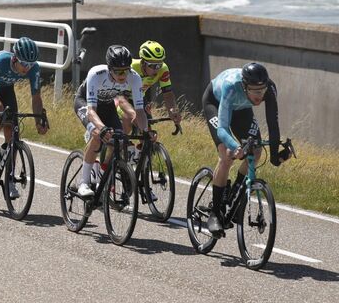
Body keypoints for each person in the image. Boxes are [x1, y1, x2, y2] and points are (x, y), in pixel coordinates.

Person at [202, 62, 291, 235]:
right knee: (227, 155)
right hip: (216, 102)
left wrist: (275, 157)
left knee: (256, 151)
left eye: (262, 91)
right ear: (244, 86)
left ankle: (235, 193)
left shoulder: (269, 88)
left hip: (242, 109)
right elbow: (222, 129)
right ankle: (214, 213)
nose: (260, 96)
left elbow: (273, 124)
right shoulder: (231, 86)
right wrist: (235, 148)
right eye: (255, 91)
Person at [0, 37, 48, 198]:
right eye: (24, 63)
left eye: (31, 64)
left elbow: (36, 98)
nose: (27, 68)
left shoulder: (33, 68)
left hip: (6, 88)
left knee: (13, 128)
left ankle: (9, 179)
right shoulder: (1, 61)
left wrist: (38, 121)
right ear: (15, 58)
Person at [74, 45, 150, 197]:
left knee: (120, 141)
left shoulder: (134, 78)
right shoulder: (96, 73)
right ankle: (83, 182)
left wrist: (147, 132)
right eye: (118, 71)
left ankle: (103, 174)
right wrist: (102, 128)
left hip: (107, 104)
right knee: (98, 136)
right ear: (109, 69)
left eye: (126, 70)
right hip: (85, 103)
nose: (123, 75)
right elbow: (91, 111)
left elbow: (140, 112)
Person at [116, 40, 181, 136]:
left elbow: (168, 94)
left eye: (159, 65)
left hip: (139, 97)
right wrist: (133, 114)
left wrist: (173, 110)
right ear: (143, 62)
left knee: (148, 134)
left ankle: (143, 150)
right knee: (127, 121)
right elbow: (122, 99)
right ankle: (121, 145)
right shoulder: (130, 68)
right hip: (121, 97)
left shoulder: (163, 70)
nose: (157, 69)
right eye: (153, 65)